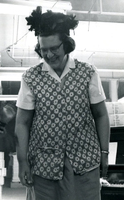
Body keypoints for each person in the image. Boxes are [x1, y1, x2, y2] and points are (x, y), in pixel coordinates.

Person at [15, 6, 110, 200]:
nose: (48, 55)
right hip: (43, 166)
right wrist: (22, 160)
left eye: (54, 48)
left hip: (84, 162)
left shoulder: (87, 73)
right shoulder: (30, 77)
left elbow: (100, 114)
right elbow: (22, 122)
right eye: (43, 50)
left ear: (66, 44)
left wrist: (104, 152)